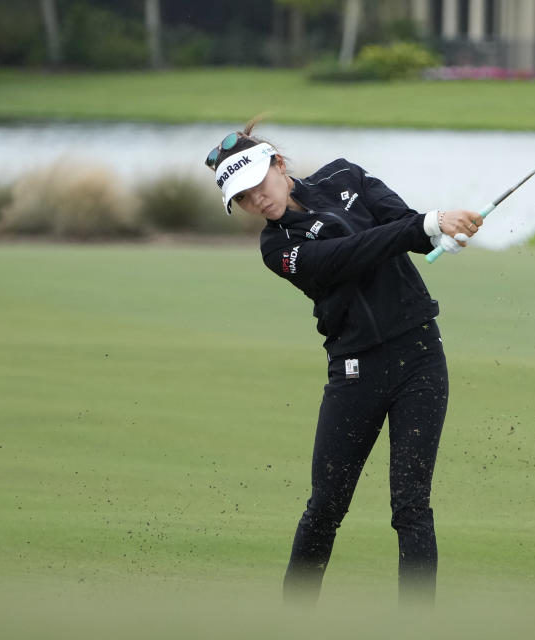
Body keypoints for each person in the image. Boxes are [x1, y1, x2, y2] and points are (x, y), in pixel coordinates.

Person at [204, 120, 483, 605]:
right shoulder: (278, 248)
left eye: (256, 185)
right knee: (325, 508)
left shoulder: (346, 178)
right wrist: (426, 225)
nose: (256, 201)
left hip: (420, 357)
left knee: (411, 507)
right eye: (243, 199)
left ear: (278, 165)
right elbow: (346, 256)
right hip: (356, 373)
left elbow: (409, 229)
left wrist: (442, 231)